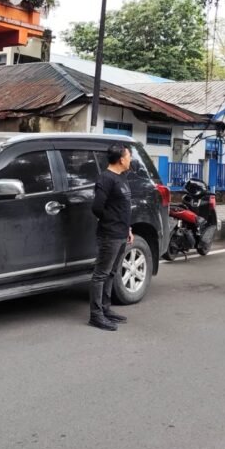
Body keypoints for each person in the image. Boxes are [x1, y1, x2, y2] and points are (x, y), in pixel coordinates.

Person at [89, 142, 134, 332]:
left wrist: (128, 229)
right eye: (129, 156)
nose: (130, 159)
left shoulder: (121, 177)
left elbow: (121, 208)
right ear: (121, 159)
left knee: (112, 273)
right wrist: (112, 223)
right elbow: (97, 207)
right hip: (110, 234)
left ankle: (106, 309)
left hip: (121, 233)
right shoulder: (106, 179)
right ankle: (96, 315)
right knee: (101, 274)